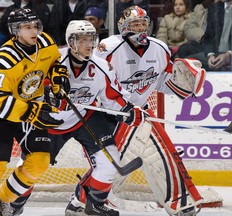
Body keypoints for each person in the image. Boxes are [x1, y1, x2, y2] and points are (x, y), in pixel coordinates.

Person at [9, 20, 147, 216]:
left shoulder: (101, 66)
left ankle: (95, 203)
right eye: (82, 40)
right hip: (50, 121)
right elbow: (28, 86)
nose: (89, 44)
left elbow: (113, 96)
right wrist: (44, 97)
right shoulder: (50, 59)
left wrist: (129, 111)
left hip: (84, 116)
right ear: (71, 41)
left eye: (91, 39)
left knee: (110, 160)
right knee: (30, 167)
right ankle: (12, 205)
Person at [94, 5, 206, 216]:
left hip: (140, 114)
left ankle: (179, 202)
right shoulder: (107, 48)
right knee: (115, 161)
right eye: (134, 24)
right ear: (123, 27)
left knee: (162, 153)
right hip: (111, 116)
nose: (140, 28)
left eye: (143, 23)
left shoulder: (159, 48)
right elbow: (94, 79)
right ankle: (87, 198)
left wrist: (183, 82)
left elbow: (162, 82)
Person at [0, 8, 70, 216]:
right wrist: (32, 112)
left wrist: (58, 76)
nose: (34, 30)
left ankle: (3, 201)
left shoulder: (45, 42)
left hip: (30, 109)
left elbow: (54, 62)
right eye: (27, 27)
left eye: (35, 25)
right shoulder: (4, 60)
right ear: (15, 31)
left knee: (40, 161)